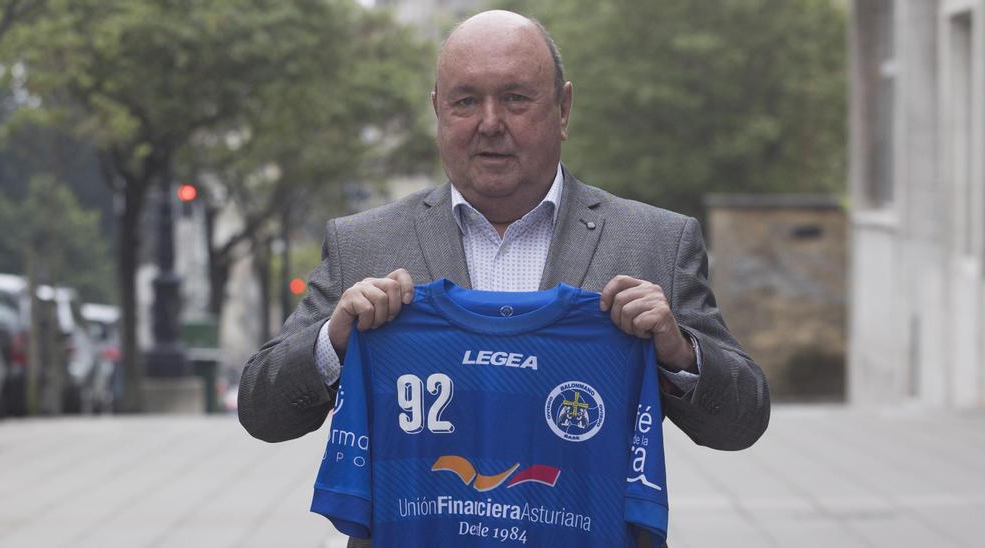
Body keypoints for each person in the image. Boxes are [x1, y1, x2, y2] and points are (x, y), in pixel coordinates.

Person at [238, 9, 770, 546]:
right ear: (437, 112)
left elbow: (741, 422)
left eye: (516, 98)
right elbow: (262, 411)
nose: (490, 122)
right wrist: (334, 340)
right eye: (465, 101)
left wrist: (679, 355)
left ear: (563, 109)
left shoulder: (655, 241)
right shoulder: (365, 244)